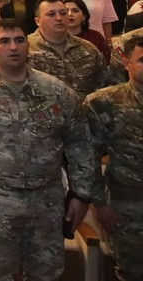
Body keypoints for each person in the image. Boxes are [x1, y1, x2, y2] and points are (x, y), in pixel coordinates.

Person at [0, 19, 96, 281]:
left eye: (19, 40)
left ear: (28, 45)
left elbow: (80, 143)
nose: (13, 47)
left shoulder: (56, 91)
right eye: (4, 41)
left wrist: (81, 194)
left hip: (46, 200)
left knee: (48, 274)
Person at [84, 34, 143, 281]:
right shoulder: (105, 102)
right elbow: (88, 156)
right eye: (142, 60)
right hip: (128, 207)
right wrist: (100, 202)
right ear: (126, 63)